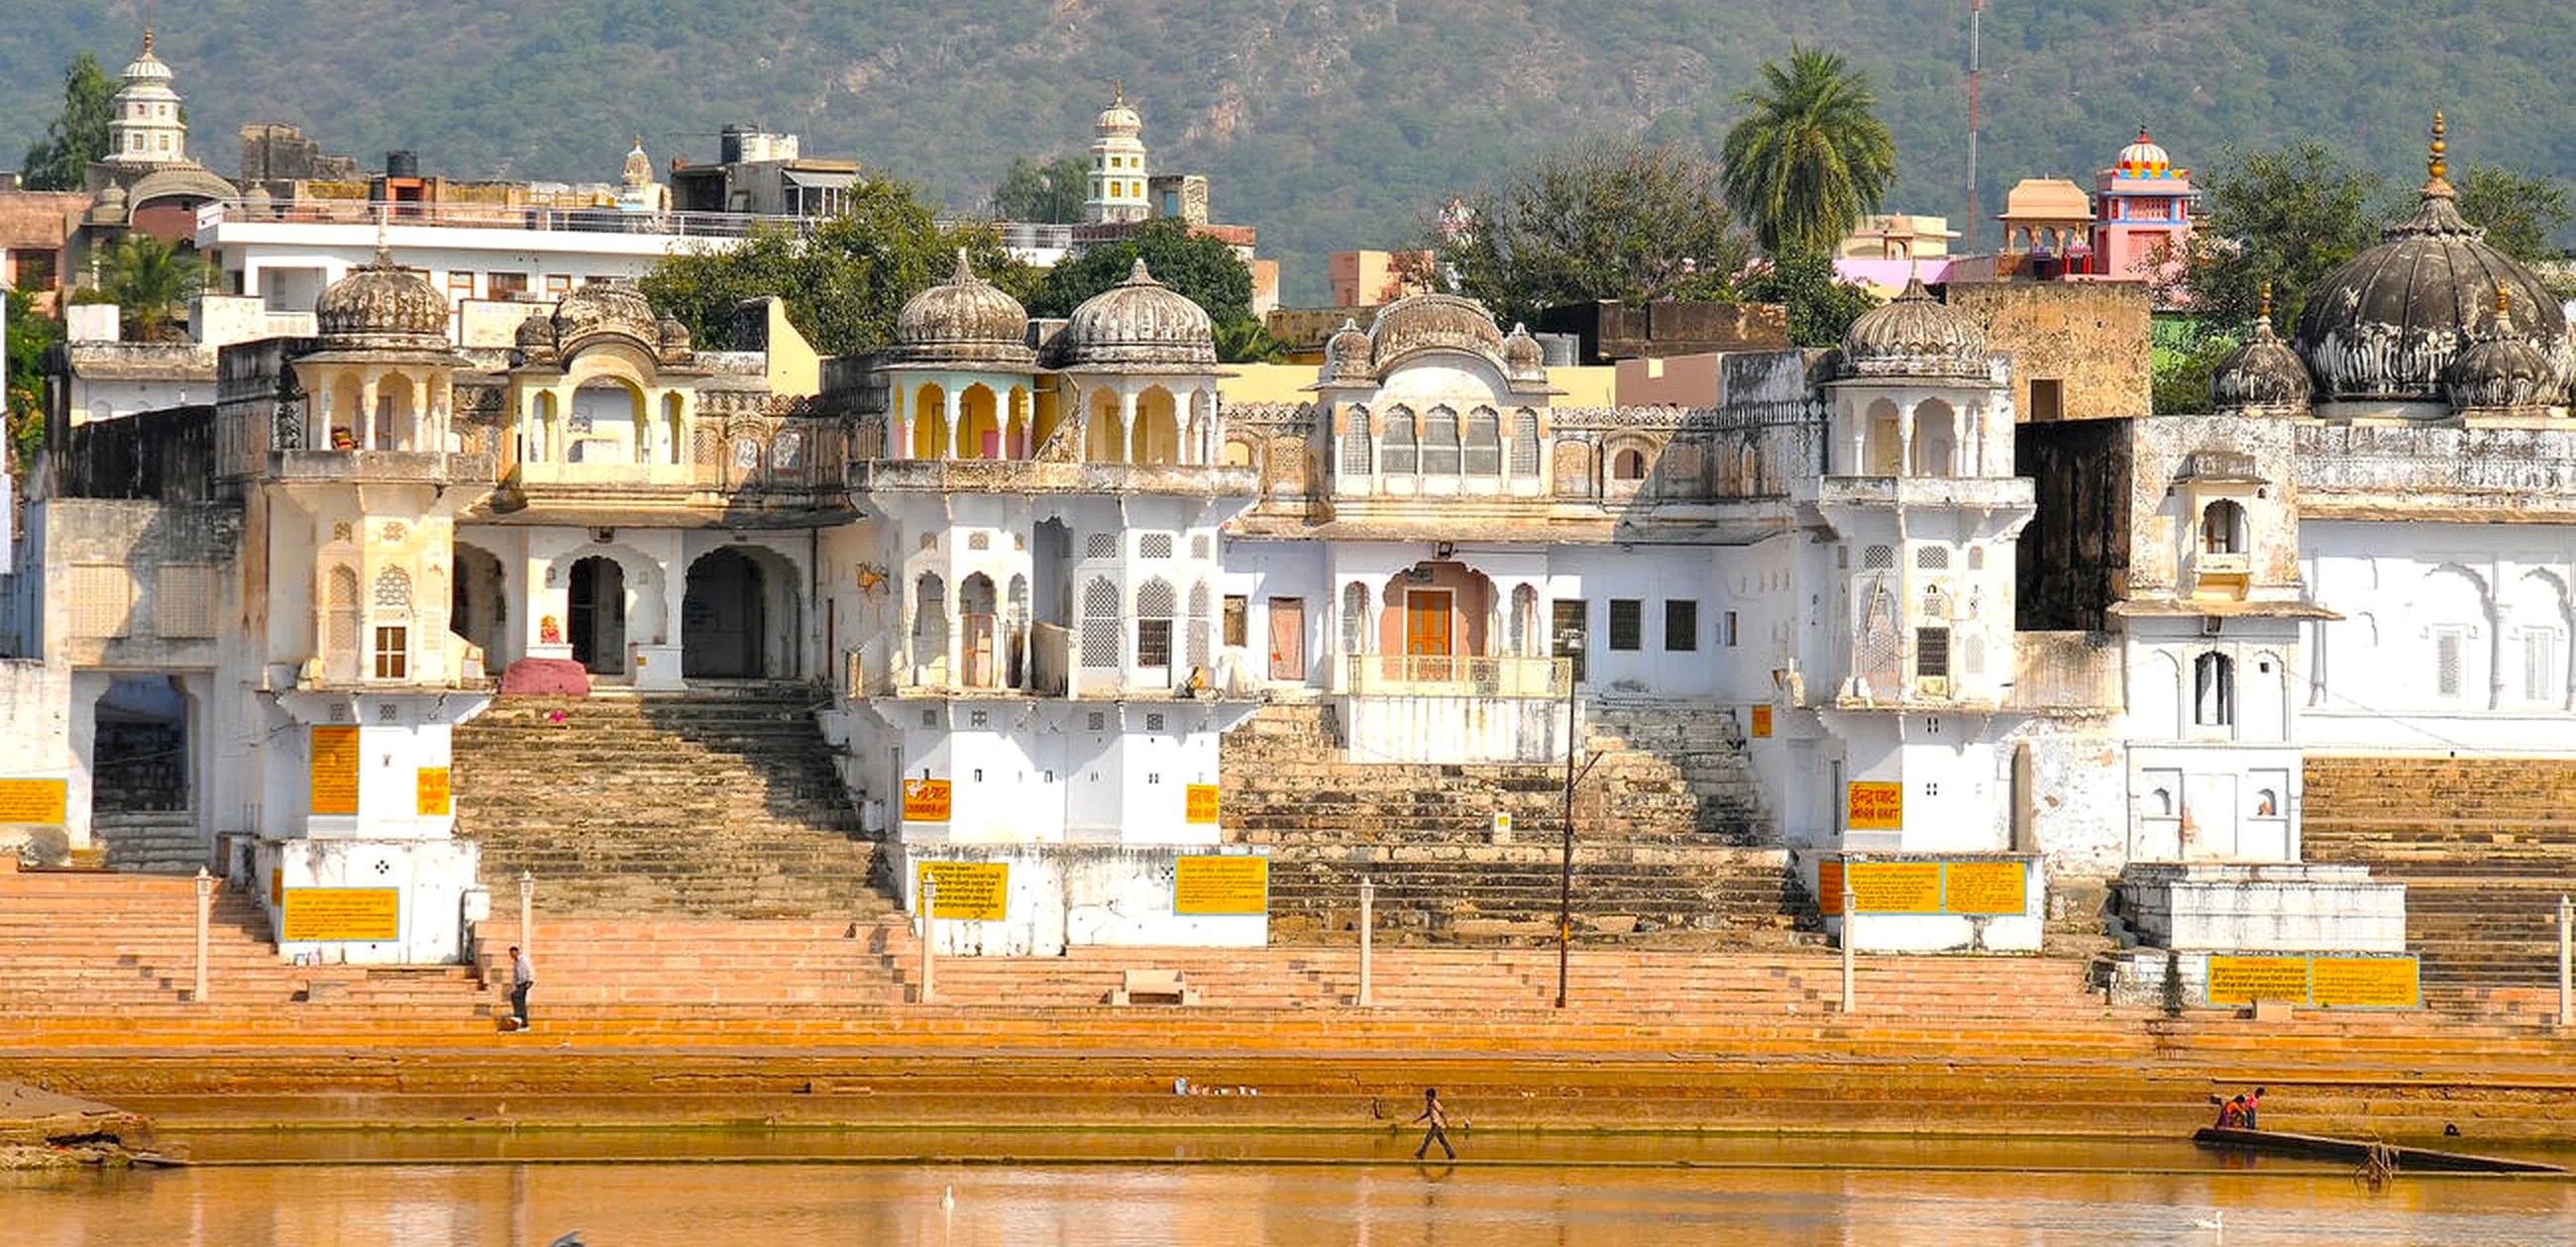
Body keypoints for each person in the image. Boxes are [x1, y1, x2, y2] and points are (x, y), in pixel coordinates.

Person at [1411, 1087, 1455, 1161]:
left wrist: (1446, 1123)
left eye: (1428, 1096)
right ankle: (1451, 1154)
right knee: (1442, 1141)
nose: (1426, 1097)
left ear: (1432, 1096)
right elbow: (1428, 1113)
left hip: (1436, 1125)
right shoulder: (1430, 1104)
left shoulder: (1435, 1103)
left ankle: (1421, 1154)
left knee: (1428, 1139)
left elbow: (1442, 1112)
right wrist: (1418, 1120)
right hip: (1435, 1125)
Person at [508, 945, 535, 1030]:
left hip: (525, 982)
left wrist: (531, 980)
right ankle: (525, 1024)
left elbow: (530, 969)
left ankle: (518, 1015)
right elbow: (515, 975)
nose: (512, 956)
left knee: (516, 996)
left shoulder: (524, 959)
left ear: (516, 952)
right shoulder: (516, 962)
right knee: (520, 1001)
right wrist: (514, 984)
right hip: (519, 983)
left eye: (513, 954)